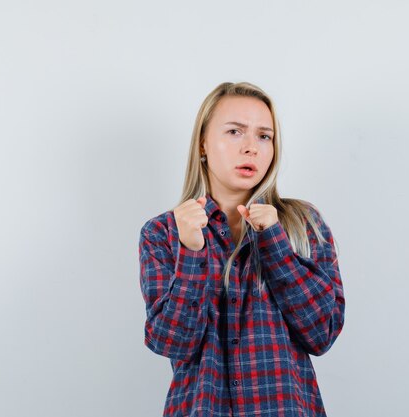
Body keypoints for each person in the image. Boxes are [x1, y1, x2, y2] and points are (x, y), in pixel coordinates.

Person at [138, 81, 346, 417]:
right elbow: (172, 342)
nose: (252, 147)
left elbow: (322, 333)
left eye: (264, 136)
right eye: (235, 132)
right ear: (203, 143)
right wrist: (192, 252)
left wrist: (274, 243)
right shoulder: (163, 233)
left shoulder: (303, 224)